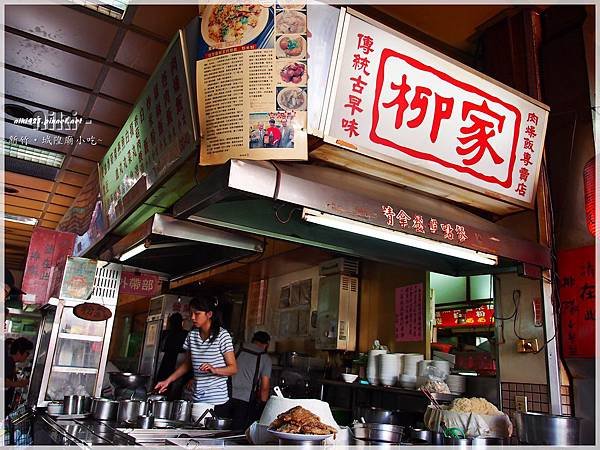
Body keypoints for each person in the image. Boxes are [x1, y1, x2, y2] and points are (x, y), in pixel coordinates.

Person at [155, 297, 237, 416]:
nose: (192, 317)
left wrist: (215, 370)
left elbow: (233, 368)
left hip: (217, 401)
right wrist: (168, 381)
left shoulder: (222, 335)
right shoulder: (192, 335)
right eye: (191, 313)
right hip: (196, 397)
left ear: (209, 314)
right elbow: (187, 364)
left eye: (197, 314)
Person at [227, 331, 272, 430]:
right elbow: (264, 388)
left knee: (221, 427)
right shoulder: (265, 358)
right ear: (266, 344)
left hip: (225, 395)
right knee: (236, 432)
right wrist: (262, 406)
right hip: (245, 401)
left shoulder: (237, 347)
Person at [156, 313, 189, 400]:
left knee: (172, 387)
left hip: (175, 361)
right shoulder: (184, 334)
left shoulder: (167, 334)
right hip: (171, 360)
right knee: (172, 387)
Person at [5, 337, 33, 413]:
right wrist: (19, 384)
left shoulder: (10, 362)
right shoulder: (8, 362)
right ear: (18, 352)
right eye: (27, 353)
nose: (27, 357)